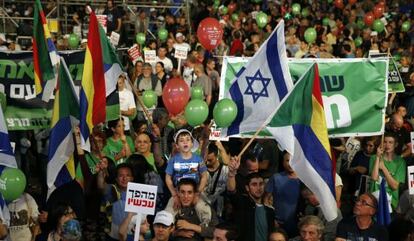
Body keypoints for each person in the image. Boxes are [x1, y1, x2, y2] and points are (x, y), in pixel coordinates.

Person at [227, 157, 275, 241]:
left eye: (261, 184)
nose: (259, 188)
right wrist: (231, 173)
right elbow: (232, 191)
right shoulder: (242, 203)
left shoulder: (270, 211)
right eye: (254, 184)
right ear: (247, 188)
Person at [165, 129, 208, 207]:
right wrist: (174, 195)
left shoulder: (199, 159)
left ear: (192, 144)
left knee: (204, 211)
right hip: (178, 194)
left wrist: (197, 193)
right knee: (168, 213)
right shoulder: (173, 160)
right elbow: (168, 178)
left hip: (195, 193)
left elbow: (204, 176)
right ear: (177, 145)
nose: (185, 142)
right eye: (181, 140)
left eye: (188, 140)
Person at [265, 152, 301, 237]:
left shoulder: (304, 179)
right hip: (278, 223)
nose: (290, 164)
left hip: (298, 223)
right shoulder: (276, 178)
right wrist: (271, 219)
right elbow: (266, 199)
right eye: (287, 160)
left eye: (293, 160)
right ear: (283, 162)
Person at [369, 132, 406, 210]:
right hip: (374, 200)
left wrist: (383, 168)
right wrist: (378, 157)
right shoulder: (374, 158)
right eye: (385, 142)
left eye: (390, 142)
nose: (387, 145)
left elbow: (395, 186)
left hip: (391, 203)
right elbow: (374, 178)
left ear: (395, 144)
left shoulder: (400, 162)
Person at [97, 163, 134, 241]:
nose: (124, 178)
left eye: (128, 175)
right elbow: (101, 185)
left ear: (132, 178)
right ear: (116, 179)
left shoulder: (138, 192)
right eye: (121, 176)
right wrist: (101, 172)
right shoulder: (111, 189)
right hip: (112, 236)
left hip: (131, 235)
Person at [202, 143, 230, 218]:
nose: (207, 162)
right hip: (203, 210)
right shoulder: (200, 170)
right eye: (206, 160)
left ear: (217, 156)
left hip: (219, 211)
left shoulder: (225, 170)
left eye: (210, 160)